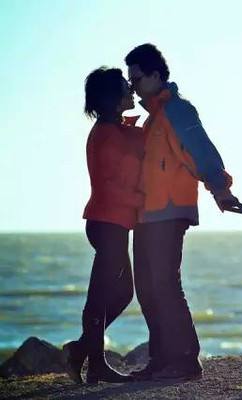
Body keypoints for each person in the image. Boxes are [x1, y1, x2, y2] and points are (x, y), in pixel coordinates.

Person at [125, 43, 242, 381]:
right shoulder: (153, 120)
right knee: (147, 288)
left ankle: (186, 360)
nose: (132, 86)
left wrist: (219, 188)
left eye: (137, 79)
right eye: (130, 80)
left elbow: (201, 151)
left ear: (156, 76)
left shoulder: (178, 111)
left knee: (165, 285)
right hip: (146, 216)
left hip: (169, 213)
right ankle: (161, 360)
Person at [62, 67, 145, 384]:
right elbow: (113, 185)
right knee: (99, 296)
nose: (132, 90)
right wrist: (144, 199)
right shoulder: (108, 134)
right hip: (106, 223)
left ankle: (81, 351)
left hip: (114, 224)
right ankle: (94, 363)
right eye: (126, 86)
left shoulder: (115, 130)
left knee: (123, 293)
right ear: (113, 97)